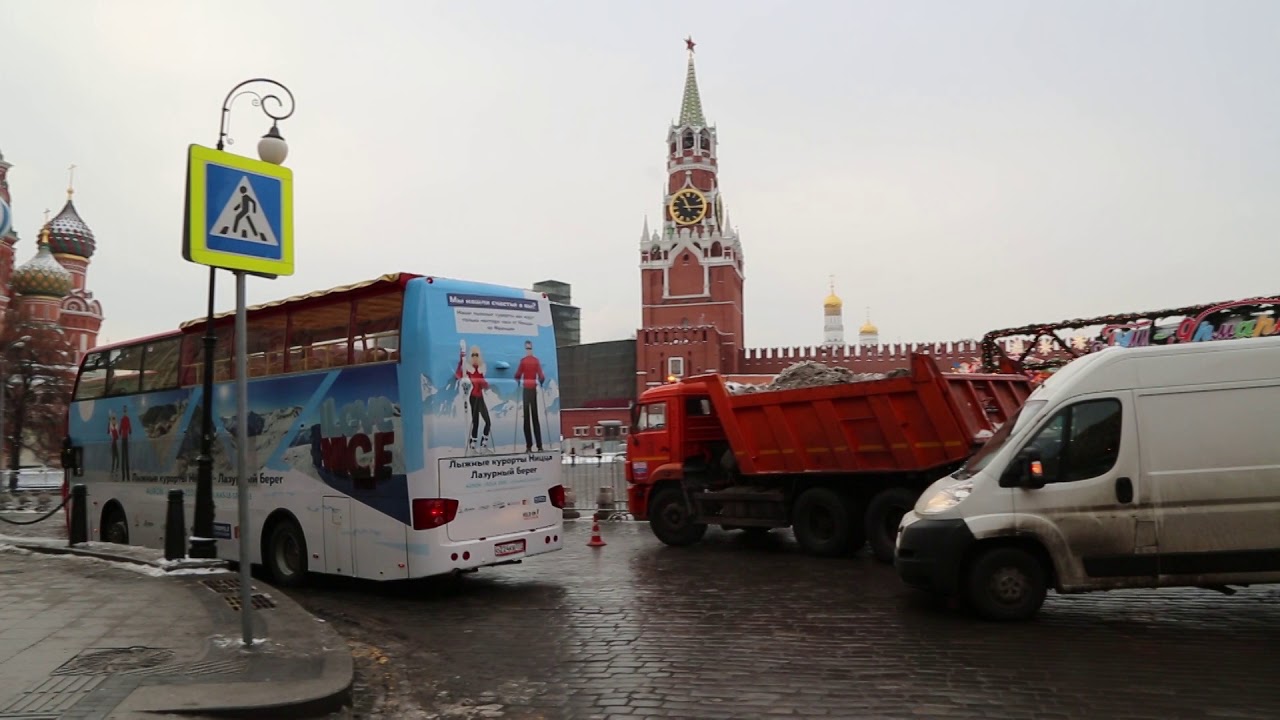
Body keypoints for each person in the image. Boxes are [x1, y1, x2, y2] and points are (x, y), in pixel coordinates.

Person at [456, 345, 491, 452]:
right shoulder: (469, 370)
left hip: (480, 397)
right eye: (473, 355)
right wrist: (461, 361)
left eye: (477, 355)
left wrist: (486, 385)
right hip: (473, 397)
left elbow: (484, 382)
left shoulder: (480, 369)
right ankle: (473, 445)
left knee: (487, 422)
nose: (475, 357)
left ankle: (483, 443)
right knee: (476, 422)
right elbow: (458, 375)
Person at [513, 340, 546, 453]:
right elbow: (541, 375)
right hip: (532, 389)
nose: (528, 350)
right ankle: (539, 445)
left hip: (526, 390)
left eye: (529, 348)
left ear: (530, 349)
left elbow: (517, 374)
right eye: (527, 348)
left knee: (527, 418)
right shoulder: (535, 361)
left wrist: (517, 380)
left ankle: (529, 446)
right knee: (534, 417)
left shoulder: (524, 361)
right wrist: (541, 381)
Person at [119, 405, 133, 481]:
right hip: (124, 439)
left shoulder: (127, 419)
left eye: (125, 411)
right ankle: (124, 477)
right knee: (124, 458)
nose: (125, 412)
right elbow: (121, 428)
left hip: (126, 438)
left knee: (125, 457)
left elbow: (129, 428)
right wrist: (120, 431)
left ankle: (126, 477)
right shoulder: (123, 419)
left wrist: (129, 432)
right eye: (124, 411)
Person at [108, 411, 119, 479]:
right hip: (113, 442)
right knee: (114, 458)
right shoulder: (111, 426)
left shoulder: (115, 425)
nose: (114, 420)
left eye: (114, 418)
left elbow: (116, 434)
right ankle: (113, 471)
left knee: (116, 458)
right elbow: (111, 434)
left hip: (115, 442)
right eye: (113, 419)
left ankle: (115, 470)